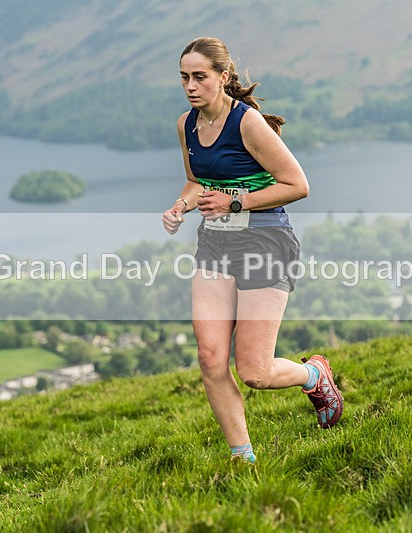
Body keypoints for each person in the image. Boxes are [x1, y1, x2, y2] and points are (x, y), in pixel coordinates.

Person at [161, 37, 343, 464]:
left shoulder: (247, 123)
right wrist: (180, 206)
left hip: (266, 242)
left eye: (200, 77)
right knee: (209, 357)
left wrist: (235, 201)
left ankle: (315, 375)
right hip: (215, 244)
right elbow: (198, 180)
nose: (190, 85)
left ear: (223, 78)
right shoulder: (185, 124)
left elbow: (297, 185)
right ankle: (244, 460)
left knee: (255, 372)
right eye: (184, 77)